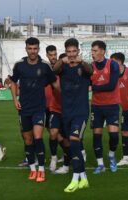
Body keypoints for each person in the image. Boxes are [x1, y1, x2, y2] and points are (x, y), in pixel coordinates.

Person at [10, 37, 59, 183]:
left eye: (35, 49)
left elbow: (55, 83)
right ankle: (32, 169)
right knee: (28, 139)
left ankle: (42, 170)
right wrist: (15, 99)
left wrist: (65, 95)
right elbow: (13, 82)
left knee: (38, 137)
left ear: (38, 49)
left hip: (39, 108)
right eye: (30, 48)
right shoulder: (19, 65)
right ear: (26, 48)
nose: (32, 51)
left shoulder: (44, 66)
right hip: (24, 108)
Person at [53, 38, 92, 192]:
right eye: (68, 52)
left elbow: (91, 71)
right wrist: (60, 61)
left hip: (81, 113)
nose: (71, 55)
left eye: (74, 51)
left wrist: (82, 62)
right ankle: (84, 179)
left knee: (75, 142)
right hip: (66, 113)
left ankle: (75, 179)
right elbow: (53, 71)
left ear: (78, 51)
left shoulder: (84, 67)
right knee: (74, 145)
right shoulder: (63, 67)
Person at [90, 40, 120, 174]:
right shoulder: (90, 66)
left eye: (95, 51)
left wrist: (94, 87)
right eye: (92, 51)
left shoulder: (112, 64)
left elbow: (112, 85)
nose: (92, 53)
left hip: (112, 105)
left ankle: (112, 155)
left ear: (102, 51)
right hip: (96, 106)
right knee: (96, 135)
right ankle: (100, 164)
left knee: (114, 135)